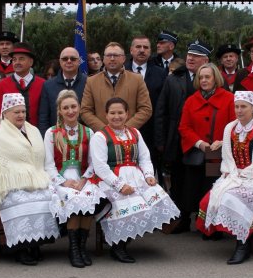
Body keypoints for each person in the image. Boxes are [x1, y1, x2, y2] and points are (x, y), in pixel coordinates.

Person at [91, 97, 180, 263]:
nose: (116, 116)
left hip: (136, 176)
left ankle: (135, 235)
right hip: (111, 180)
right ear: (106, 115)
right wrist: (120, 185)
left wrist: (149, 176)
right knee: (127, 205)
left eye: (120, 112)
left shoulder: (134, 132)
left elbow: (145, 158)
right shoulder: (100, 136)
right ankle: (118, 246)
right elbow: (100, 167)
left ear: (127, 114)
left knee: (158, 196)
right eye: (112, 113)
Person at [195, 90, 253, 265]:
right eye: (237, 106)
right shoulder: (230, 128)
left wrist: (244, 174)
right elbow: (227, 157)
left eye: (243, 107)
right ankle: (237, 238)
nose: (239, 110)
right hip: (234, 175)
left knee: (235, 199)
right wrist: (233, 172)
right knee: (212, 197)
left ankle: (242, 245)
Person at [0, 93, 60, 265]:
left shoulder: (33, 131)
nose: (21, 115)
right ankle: (20, 248)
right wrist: (16, 178)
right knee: (19, 202)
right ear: (5, 114)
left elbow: (39, 159)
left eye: (23, 111)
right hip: (9, 186)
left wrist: (33, 177)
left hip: (37, 180)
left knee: (48, 198)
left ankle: (36, 242)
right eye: (16, 112)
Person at [44, 90, 103, 267]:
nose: (70, 111)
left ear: (79, 108)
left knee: (89, 198)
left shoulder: (88, 132)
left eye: (73, 107)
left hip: (83, 177)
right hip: (60, 179)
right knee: (74, 199)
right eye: (66, 108)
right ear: (60, 111)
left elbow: (94, 162)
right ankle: (74, 249)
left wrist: (84, 179)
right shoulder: (51, 133)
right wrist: (63, 182)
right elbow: (48, 165)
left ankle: (82, 247)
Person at [177, 64, 235, 237]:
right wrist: (199, 143)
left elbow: (234, 125)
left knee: (214, 190)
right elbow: (184, 127)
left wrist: (223, 141)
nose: (203, 80)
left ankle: (214, 226)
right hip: (198, 153)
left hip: (220, 154)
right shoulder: (191, 100)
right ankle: (198, 222)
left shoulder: (229, 99)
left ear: (215, 78)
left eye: (207, 77)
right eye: (200, 77)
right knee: (193, 189)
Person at [155, 40, 209, 229]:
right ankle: (181, 219)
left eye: (195, 56)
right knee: (178, 180)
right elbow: (161, 110)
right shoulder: (173, 78)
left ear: (205, 60)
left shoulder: (211, 79)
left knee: (202, 180)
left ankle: (204, 221)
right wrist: (160, 140)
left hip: (203, 140)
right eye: (189, 55)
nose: (190, 58)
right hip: (176, 138)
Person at [80, 42, 153, 134]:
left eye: (116, 55)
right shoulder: (91, 81)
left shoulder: (137, 79)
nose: (112, 58)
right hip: (102, 138)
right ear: (103, 59)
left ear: (123, 59)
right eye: (109, 55)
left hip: (129, 137)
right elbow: (85, 111)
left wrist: (125, 130)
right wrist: (105, 131)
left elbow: (146, 109)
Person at [126, 36, 169, 174]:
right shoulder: (121, 71)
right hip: (124, 130)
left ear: (150, 51)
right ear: (131, 50)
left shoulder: (161, 73)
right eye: (138, 47)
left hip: (151, 134)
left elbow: (163, 107)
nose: (142, 50)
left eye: (146, 47)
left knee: (149, 174)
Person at [0, 42, 46, 126]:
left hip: (36, 134)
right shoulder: (2, 84)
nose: (17, 62)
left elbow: (45, 114)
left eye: (21, 59)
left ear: (31, 62)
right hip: (10, 135)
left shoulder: (42, 84)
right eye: (14, 59)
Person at [38, 47, 87, 134]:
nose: (69, 61)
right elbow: (43, 117)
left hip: (83, 137)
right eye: (65, 59)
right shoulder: (48, 85)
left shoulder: (88, 83)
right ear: (60, 62)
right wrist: (45, 138)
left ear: (79, 61)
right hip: (55, 138)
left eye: (73, 59)